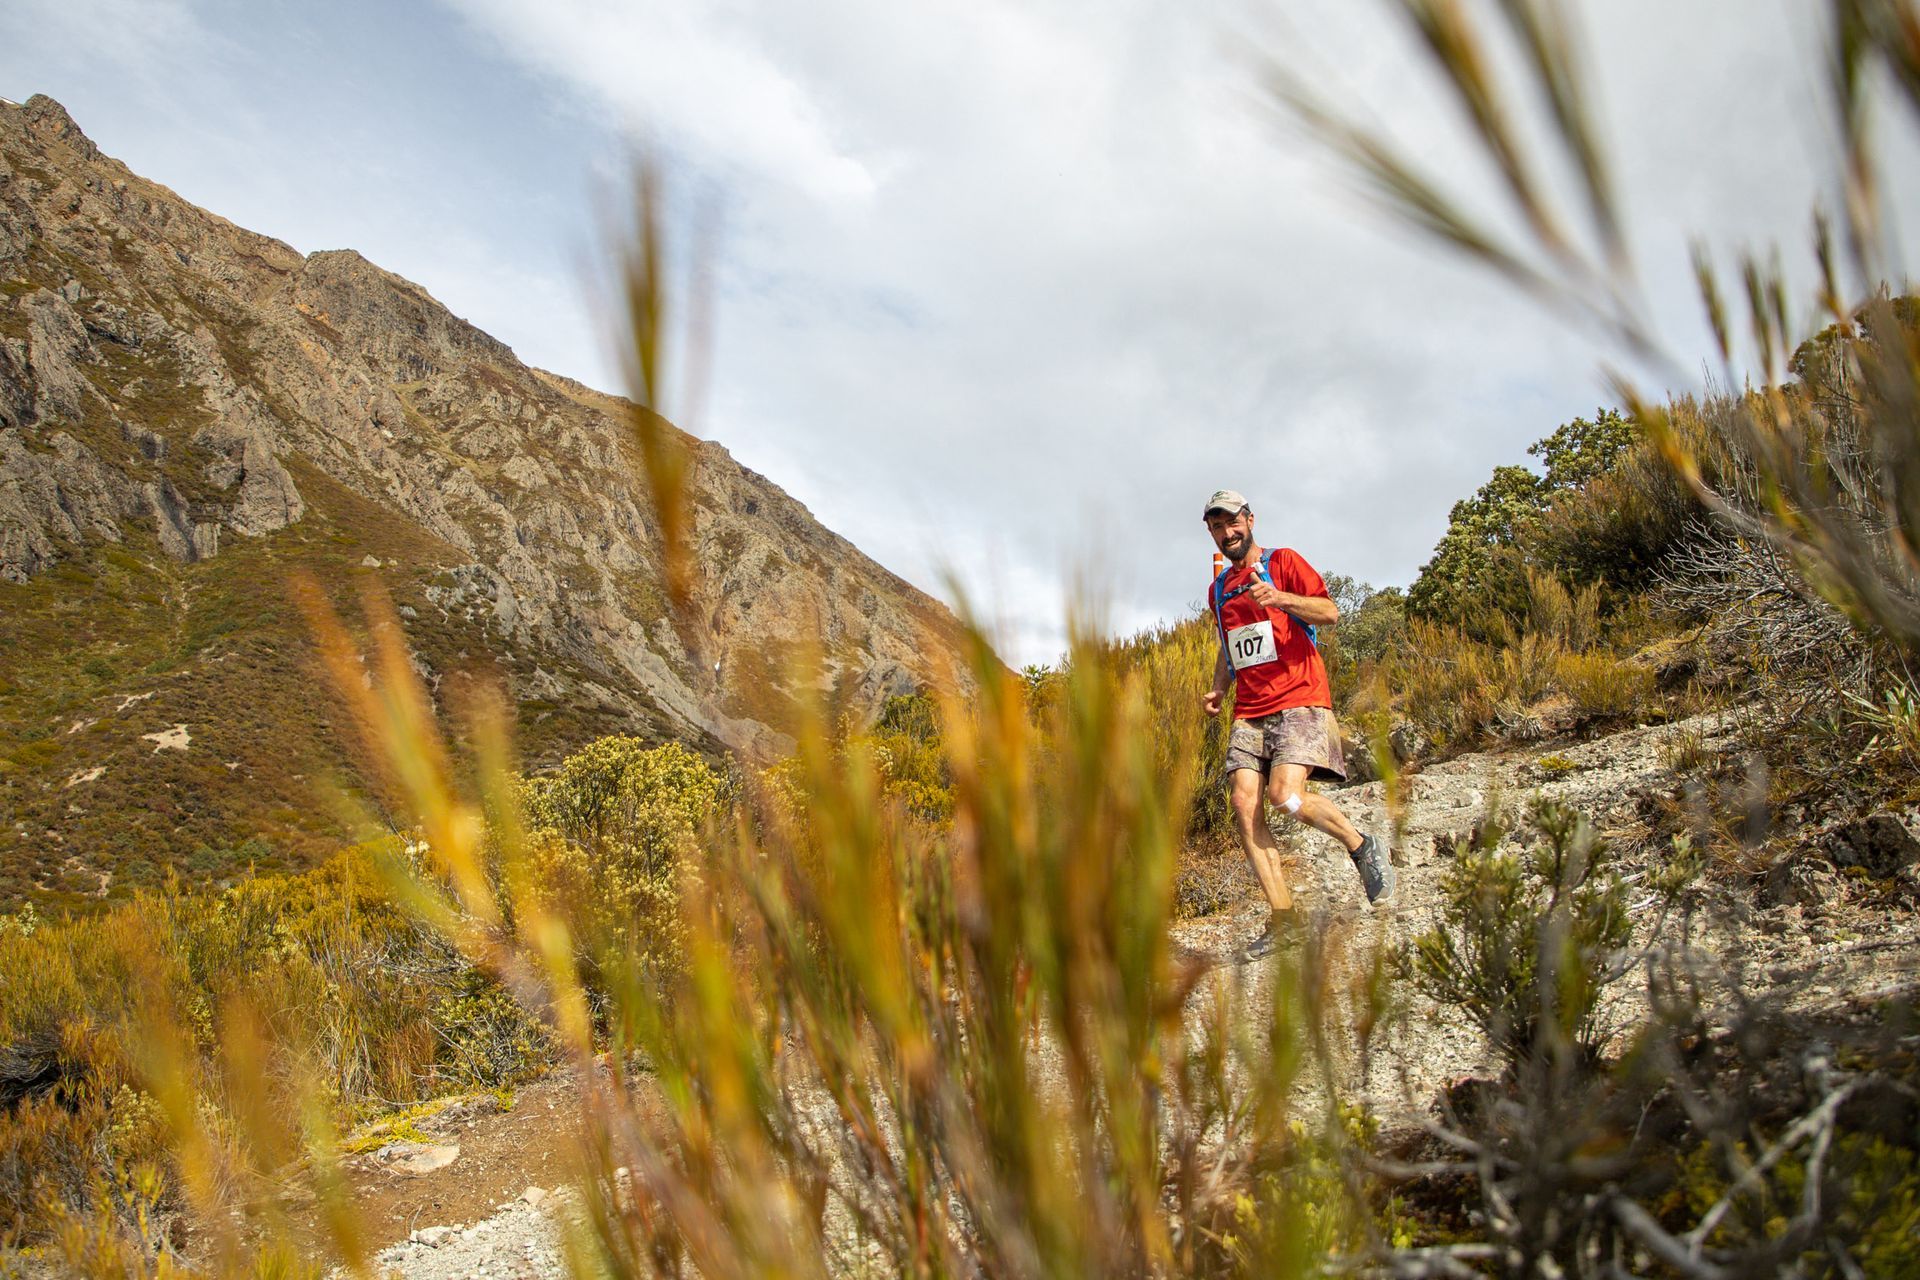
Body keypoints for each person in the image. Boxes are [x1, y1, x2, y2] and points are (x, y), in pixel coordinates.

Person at [1200, 489, 1393, 959]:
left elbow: (1329, 612)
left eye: (1234, 522)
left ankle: (1362, 844)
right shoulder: (1219, 588)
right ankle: (1284, 920)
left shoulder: (1283, 562)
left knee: (1285, 796)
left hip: (1300, 698)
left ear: (1250, 519)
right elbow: (1231, 646)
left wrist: (1281, 597)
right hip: (1249, 708)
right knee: (1245, 807)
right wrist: (1219, 688)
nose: (1228, 533)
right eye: (1217, 527)